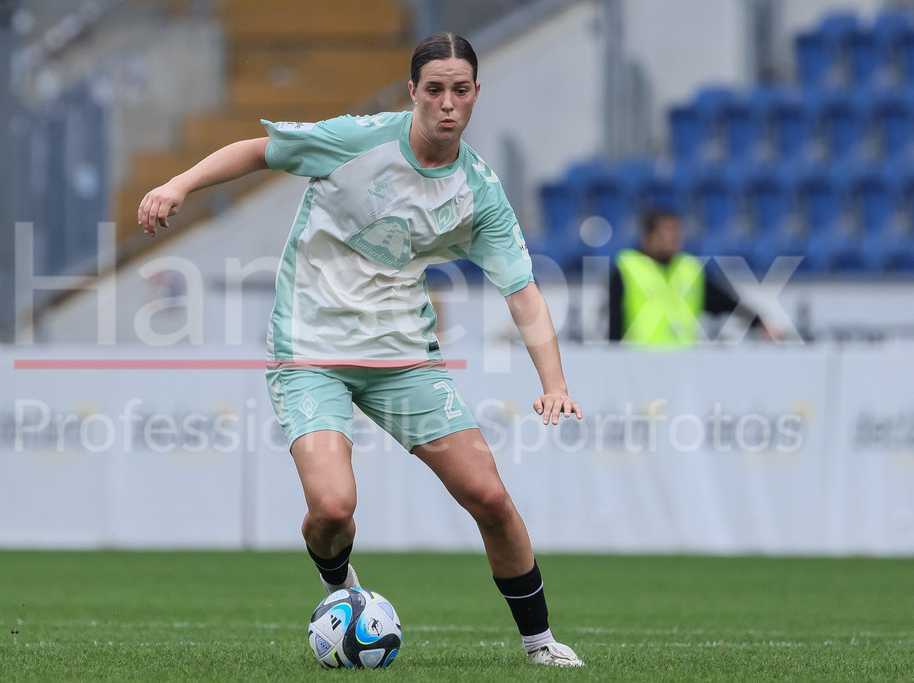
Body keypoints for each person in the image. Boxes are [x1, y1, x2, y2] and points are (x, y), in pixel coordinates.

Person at [137, 33, 585, 668]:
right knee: (331, 508)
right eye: (434, 90)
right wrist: (180, 186)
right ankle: (339, 590)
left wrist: (555, 382)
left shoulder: (478, 191)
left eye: (461, 91)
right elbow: (259, 150)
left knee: (488, 496)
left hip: (402, 357)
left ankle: (541, 644)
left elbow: (522, 289)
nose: (447, 104)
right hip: (310, 350)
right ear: (413, 93)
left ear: (477, 95)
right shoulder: (358, 139)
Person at [608, 209, 779, 345]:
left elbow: (725, 303)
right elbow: (615, 323)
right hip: (641, 364)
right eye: (668, 231)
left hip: (683, 364)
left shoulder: (689, 268)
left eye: (677, 231)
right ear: (649, 236)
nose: (675, 237)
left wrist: (758, 322)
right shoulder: (627, 267)